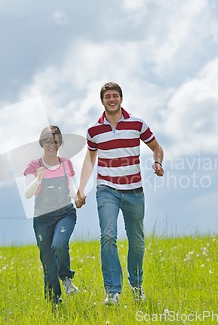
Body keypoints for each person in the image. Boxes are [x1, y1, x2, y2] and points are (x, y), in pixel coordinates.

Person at [75, 82, 164, 306]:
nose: (112, 99)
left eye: (115, 96)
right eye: (107, 96)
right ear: (102, 101)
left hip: (134, 190)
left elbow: (156, 148)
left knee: (137, 241)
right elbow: (90, 159)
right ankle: (113, 292)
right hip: (107, 189)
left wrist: (157, 162)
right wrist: (81, 189)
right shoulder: (94, 131)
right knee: (107, 236)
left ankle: (136, 286)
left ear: (121, 99)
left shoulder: (137, 123)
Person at [24, 125, 79, 304]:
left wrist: (78, 196)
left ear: (60, 143)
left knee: (59, 245)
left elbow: (72, 187)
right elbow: (27, 193)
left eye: (55, 141)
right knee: (48, 263)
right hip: (42, 219)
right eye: (47, 141)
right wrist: (38, 180)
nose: (51, 145)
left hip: (65, 213)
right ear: (42, 143)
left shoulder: (66, 164)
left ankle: (66, 277)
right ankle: (54, 302)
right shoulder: (34, 165)